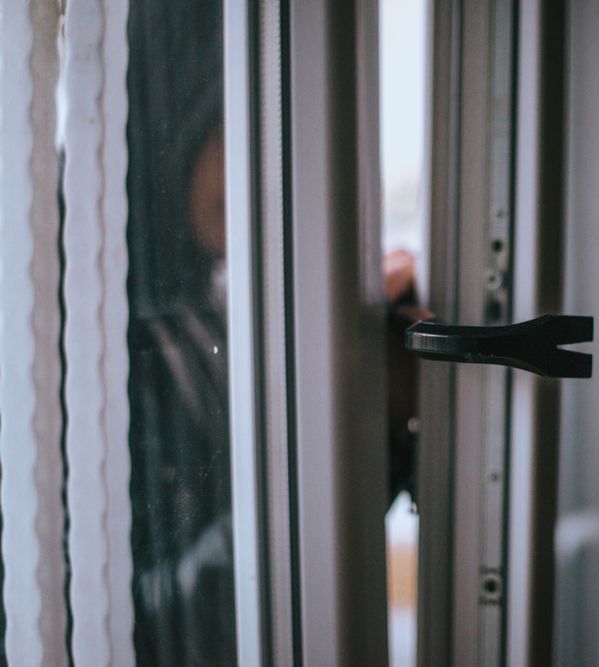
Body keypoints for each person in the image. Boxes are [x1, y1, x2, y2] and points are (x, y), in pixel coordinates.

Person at [127, 0, 418, 662]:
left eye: (265, 118)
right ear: (162, 99)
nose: (253, 154)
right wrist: (362, 423)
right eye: (222, 115)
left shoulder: (191, 292)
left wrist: (359, 382)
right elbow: (145, 630)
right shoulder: (69, 317)